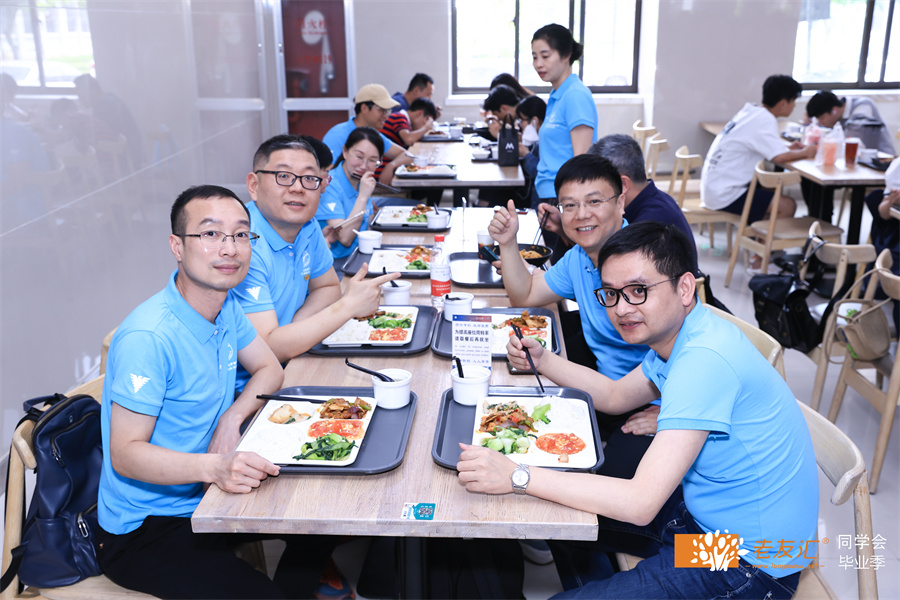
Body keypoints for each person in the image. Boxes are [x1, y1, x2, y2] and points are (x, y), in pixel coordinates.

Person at [458, 221, 819, 599]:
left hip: (745, 558)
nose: (621, 308)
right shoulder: (686, 332)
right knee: (558, 515)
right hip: (702, 521)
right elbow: (614, 395)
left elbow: (640, 503)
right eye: (611, 294)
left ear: (684, 287)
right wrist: (544, 360)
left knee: (553, 504)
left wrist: (516, 475)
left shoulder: (703, 360)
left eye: (638, 291)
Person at [97, 184, 322, 598]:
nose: (230, 248)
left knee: (325, 517)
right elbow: (125, 455)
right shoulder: (148, 337)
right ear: (177, 246)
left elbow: (270, 370)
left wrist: (231, 419)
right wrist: (214, 467)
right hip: (146, 528)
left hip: (207, 497)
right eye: (211, 233)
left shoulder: (225, 304)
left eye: (241, 234)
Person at [234, 134, 398, 391]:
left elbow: (328, 287)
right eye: (283, 176)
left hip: (295, 360)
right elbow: (267, 350)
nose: (298, 188)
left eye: (310, 178)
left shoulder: (307, 224)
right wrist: (348, 306)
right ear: (254, 185)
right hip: (248, 390)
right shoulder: (240, 245)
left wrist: (293, 330)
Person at [700, 75, 816, 228]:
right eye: (793, 101)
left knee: (769, 190)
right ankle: (763, 243)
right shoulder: (765, 119)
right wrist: (807, 152)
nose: (794, 105)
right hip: (725, 194)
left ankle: (757, 239)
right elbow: (779, 157)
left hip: (713, 187)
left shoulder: (751, 112)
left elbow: (760, 145)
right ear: (783, 103)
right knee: (787, 205)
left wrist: (788, 149)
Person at [588, 134, 697, 270]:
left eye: (596, 187)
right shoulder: (652, 199)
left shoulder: (650, 222)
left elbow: (614, 271)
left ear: (622, 184)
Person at [531, 24, 597, 208]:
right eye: (535, 57)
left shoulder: (575, 95)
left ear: (566, 55)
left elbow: (581, 161)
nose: (538, 64)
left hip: (562, 197)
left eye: (545, 56)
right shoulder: (557, 94)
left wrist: (568, 206)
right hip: (548, 193)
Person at [316, 127, 383, 263]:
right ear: (345, 152)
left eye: (372, 160)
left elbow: (368, 226)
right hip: (335, 262)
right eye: (359, 157)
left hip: (361, 253)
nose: (364, 166)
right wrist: (363, 196)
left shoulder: (362, 181)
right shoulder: (328, 184)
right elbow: (345, 239)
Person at [322, 83, 411, 184]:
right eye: (382, 110)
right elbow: (327, 174)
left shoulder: (371, 135)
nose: (386, 116)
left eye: (387, 111)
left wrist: (391, 166)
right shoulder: (338, 135)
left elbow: (407, 156)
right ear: (364, 108)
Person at [805, 90, 896, 155]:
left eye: (822, 118)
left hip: (882, 161)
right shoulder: (839, 115)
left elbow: (852, 141)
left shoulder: (863, 106)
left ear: (834, 111)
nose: (821, 123)